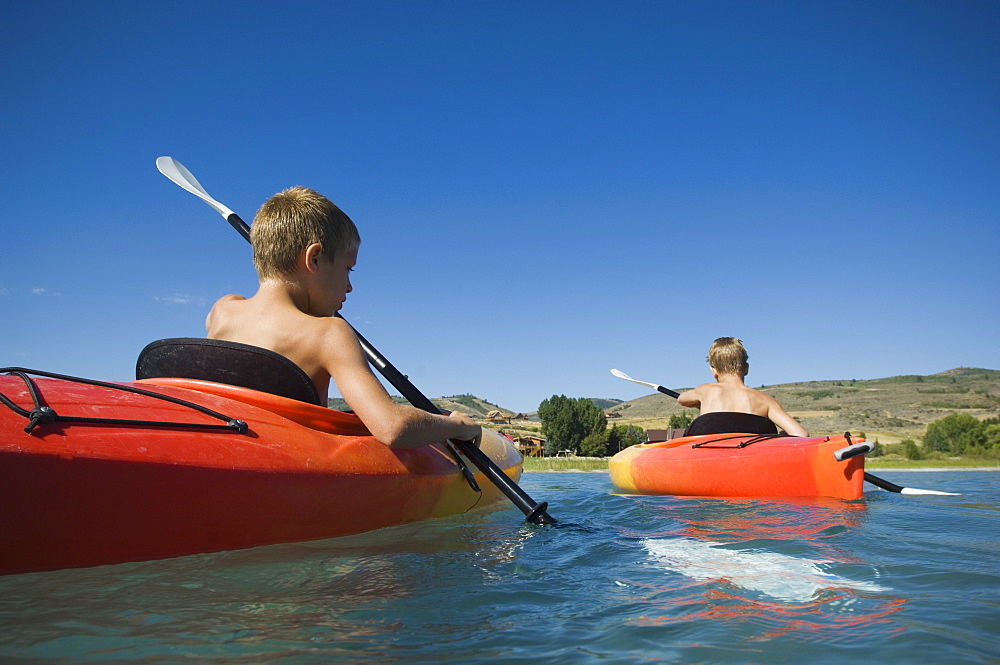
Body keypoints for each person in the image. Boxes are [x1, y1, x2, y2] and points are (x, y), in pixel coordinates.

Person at [205, 186, 481, 449]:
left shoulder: (223, 310)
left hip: (226, 441)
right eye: (348, 268)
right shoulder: (328, 333)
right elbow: (392, 427)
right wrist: (455, 425)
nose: (349, 286)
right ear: (314, 259)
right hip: (295, 465)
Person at [677, 337, 808, 437]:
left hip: (709, 464)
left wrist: (699, 402)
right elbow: (801, 434)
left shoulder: (705, 391)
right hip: (751, 466)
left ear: (713, 370)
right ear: (746, 368)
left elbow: (682, 399)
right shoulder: (764, 400)